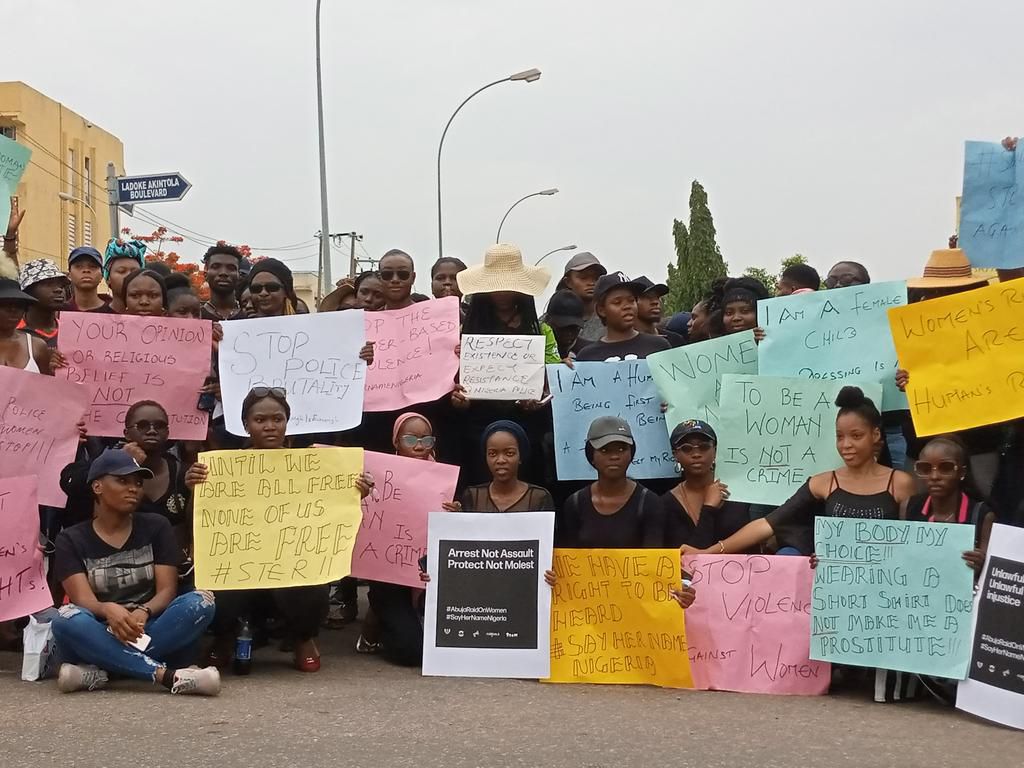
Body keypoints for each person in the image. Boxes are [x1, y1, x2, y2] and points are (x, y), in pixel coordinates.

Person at [185, 386, 374, 673]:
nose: (270, 426)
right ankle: (224, 637)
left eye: (277, 419)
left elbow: (330, 512)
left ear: (287, 422)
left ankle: (303, 637)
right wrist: (194, 490)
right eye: (260, 420)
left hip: (291, 561)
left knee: (314, 583)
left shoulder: (312, 466)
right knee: (218, 581)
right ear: (246, 425)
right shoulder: (221, 467)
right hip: (241, 560)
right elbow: (200, 522)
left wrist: (353, 493)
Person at [50, 448, 219, 695]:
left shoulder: (156, 526)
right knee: (65, 619)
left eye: (138, 483)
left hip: (149, 627)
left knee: (201, 602)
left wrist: (144, 610)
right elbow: (83, 600)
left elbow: (167, 590)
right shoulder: (70, 538)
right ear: (97, 487)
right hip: (99, 628)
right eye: (122, 481)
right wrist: (108, 609)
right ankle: (166, 675)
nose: (134, 489)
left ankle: (105, 670)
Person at [683, 387, 916, 557]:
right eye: (839, 436)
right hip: (837, 592)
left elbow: (917, 543)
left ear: (875, 435)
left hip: (887, 590)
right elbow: (767, 524)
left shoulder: (900, 483)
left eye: (856, 436)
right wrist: (708, 552)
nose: (846, 445)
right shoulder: (823, 483)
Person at [357, 413, 460, 664]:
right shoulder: (375, 477)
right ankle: (377, 614)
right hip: (390, 579)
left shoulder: (443, 481)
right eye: (411, 438)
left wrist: (457, 515)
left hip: (430, 577)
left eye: (426, 439)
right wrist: (360, 494)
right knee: (411, 652)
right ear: (396, 441)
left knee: (449, 646)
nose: (419, 445)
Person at [61, 401, 192, 552]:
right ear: (126, 434)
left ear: (168, 433)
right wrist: (121, 460)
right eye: (142, 425)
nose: (151, 431)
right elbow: (70, 482)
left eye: (159, 425)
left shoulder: (183, 473)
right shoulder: (106, 466)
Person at [559, 417, 666, 548]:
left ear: (631, 454)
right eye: (605, 450)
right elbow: (569, 555)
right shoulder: (575, 504)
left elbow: (654, 559)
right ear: (591, 455)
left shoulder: (649, 502)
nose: (614, 456)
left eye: (621, 449)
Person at [906, 436, 995, 574]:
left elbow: (990, 573)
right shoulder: (909, 507)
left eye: (946, 468)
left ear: (962, 472)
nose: (934, 476)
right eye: (925, 468)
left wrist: (981, 565)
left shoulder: (982, 515)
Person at [662, 420, 752, 550]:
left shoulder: (740, 495)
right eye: (687, 448)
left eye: (704, 447)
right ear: (675, 455)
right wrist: (708, 509)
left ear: (715, 451)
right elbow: (687, 557)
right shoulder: (665, 504)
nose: (696, 454)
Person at [453, 420, 556, 513]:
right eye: (493, 454)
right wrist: (457, 516)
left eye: (509, 453)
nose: (501, 460)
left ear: (520, 456)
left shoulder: (538, 497)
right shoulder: (473, 496)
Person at [575, 273, 671, 361]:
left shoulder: (659, 346)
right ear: (601, 310)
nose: (627, 306)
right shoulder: (587, 356)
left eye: (631, 300)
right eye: (617, 302)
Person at [552, 251, 607, 344]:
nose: (591, 283)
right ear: (568, 282)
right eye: (583, 278)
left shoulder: (610, 320)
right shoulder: (550, 321)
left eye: (596, 278)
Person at [0, 278, 52, 374]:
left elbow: (46, 385)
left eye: (19, 305)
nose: (13, 310)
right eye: (4, 304)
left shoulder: (36, 346)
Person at [17, 258, 68, 347]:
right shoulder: (10, 331)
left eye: (62, 285)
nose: (59, 289)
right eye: (48, 284)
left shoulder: (71, 331)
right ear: (28, 291)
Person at [634, 276, 685, 347]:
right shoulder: (624, 343)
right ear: (632, 302)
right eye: (647, 297)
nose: (655, 302)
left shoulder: (675, 340)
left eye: (657, 297)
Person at [201, 244, 244, 321]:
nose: (223, 273)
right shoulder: (194, 317)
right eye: (215, 267)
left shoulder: (251, 316)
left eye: (231, 268)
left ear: (239, 275)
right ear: (205, 274)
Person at [103, 239, 146, 313]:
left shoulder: (154, 315)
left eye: (135, 272)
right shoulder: (96, 316)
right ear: (108, 278)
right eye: (121, 271)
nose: (129, 275)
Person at [64, 246, 112, 313]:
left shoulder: (115, 311)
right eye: (78, 266)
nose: (86, 270)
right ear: (69, 275)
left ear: (102, 275)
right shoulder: (59, 312)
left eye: (93, 266)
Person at [544, 289, 587, 361]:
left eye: (574, 328)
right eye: (563, 327)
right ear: (548, 321)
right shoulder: (536, 350)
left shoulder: (587, 352)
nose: (569, 333)